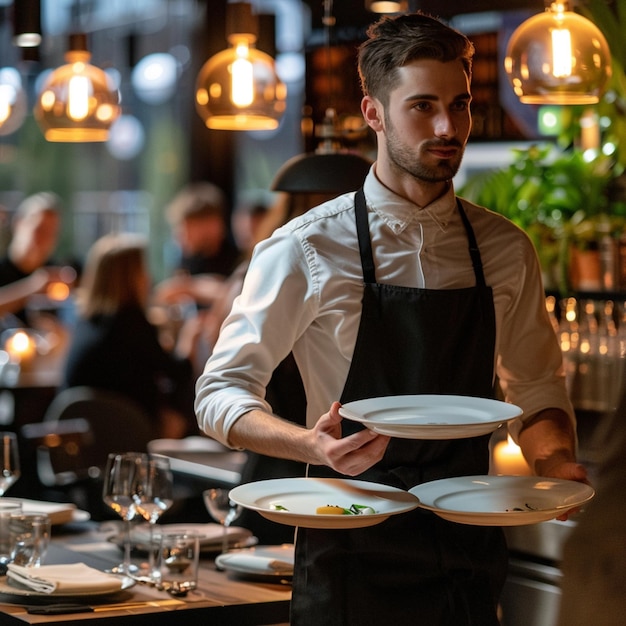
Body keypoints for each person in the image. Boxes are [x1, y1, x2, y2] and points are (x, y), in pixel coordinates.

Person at [195, 12, 587, 625]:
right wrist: (312, 444)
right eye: (422, 106)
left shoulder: (507, 249)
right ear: (373, 113)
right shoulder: (305, 247)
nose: (446, 127)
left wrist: (553, 464)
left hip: (469, 550)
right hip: (349, 549)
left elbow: (535, 388)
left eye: (458, 106)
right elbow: (219, 393)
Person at [61, 233, 199, 439]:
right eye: (142, 269)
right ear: (131, 277)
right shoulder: (132, 321)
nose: (148, 277)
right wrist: (190, 336)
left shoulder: (85, 321)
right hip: (126, 433)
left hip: (82, 438)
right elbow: (178, 372)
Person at [0, 192, 71, 326]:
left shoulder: (56, 275)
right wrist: (32, 288)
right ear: (19, 223)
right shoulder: (3, 271)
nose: (44, 239)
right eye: (40, 230)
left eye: (51, 233)